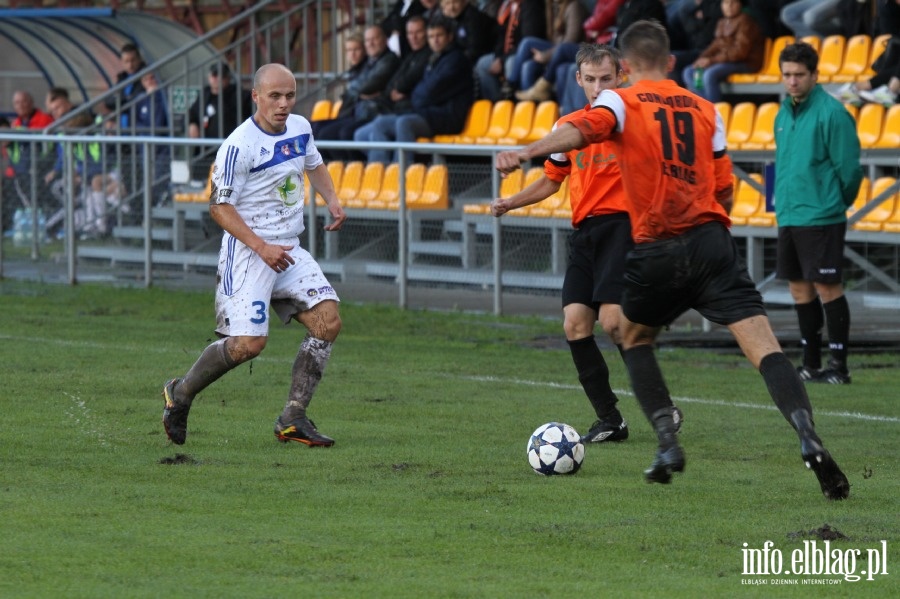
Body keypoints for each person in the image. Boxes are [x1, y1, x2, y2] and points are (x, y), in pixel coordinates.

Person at [495, 20, 850, 500]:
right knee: (764, 346)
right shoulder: (707, 109)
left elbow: (583, 130)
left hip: (656, 242)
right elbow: (724, 185)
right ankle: (807, 434)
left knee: (633, 336)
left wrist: (526, 150)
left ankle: (666, 442)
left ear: (626, 68)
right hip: (710, 240)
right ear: (670, 62)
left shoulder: (620, 102)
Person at [493, 43, 683, 442]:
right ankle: (610, 419)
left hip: (624, 227)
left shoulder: (632, 120)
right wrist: (511, 201)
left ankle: (660, 402)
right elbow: (551, 179)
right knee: (576, 324)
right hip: (586, 233)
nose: (598, 88)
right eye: (590, 79)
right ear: (578, 79)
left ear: (622, 77)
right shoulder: (569, 125)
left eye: (606, 79)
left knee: (614, 323)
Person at [161, 63, 348, 447]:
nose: (283, 104)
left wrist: (332, 199)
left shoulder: (300, 128)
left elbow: (314, 164)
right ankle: (180, 393)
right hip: (249, 253)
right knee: (249, 345)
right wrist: (261, 246)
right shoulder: (238, 145)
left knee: (327, 322)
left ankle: (293, 417)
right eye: (275, 96)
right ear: (256, 97)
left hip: (289, 246)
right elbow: (219, 207)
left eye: (290, 96)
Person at [774, 42, 863, 385]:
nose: (792, 81)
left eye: (799, 75)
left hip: (822, 216)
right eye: (787, 75)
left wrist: (834, 202)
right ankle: (811, 364)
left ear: (815, 75)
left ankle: (838, 366)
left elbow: (850, 171)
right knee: (799, 289)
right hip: (790, 214)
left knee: (828, 287)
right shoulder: (783, 112)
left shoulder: (833, 113)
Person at [354, 15, 474, 164]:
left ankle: (401, 176)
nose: (435, 40)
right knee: (377, 125)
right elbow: (423, 91)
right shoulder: (435, 58)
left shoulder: (456, 59)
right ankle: (380, 176)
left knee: (404, 122)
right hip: (427, 113)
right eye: (431, 36)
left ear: (449, 37)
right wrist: (418, 96)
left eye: (439, 35)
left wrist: (416, 96)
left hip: (447, 117)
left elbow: (429, 91)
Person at [313, 25, 401, 159]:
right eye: (368, 40)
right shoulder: (371, 63)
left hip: (373, 113)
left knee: (337, 133)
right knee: (314, 128)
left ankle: (355, 172)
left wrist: (355, 93)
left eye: (375, 39)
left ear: (385, 39)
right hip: (359, 112)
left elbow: (367, 86)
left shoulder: (389, 60)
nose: (371, 44)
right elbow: (362, 89)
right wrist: (358, 94)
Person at [682, 0, 764, 102]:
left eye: (733, 3)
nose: (729, 6)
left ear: (740, 5)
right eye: (725, 3)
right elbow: (715, 46)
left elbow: (740, 53)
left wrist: (711, 61)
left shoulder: (746, 21)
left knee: (709, 74)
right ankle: (704, 107)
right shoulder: (722, 21)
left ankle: (713, 114)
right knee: (689, 71)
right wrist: (701, 59)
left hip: (746, 62)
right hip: (725, 61)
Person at [506, 0, 587, 96]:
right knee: (528, 65)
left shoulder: (574, 6)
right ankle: (529, 105)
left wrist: (545, 55)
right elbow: (551, 39)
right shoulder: (552, 7)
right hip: (555, 49)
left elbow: (570, 41)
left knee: (527, 43)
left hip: (570, 52)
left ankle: (511, 85)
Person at [187, 63, 253, 179]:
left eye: (222, 76)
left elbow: (253, 113)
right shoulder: (205, 94)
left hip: (229, 153)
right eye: (214, 75)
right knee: (200, 185)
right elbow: (192, 112)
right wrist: (192, 124)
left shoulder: (238, 95)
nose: (217, 79)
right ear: (209, 77)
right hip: (205, 152)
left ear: (227, 78)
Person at [473, 0, 547, 100]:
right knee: (483, 64)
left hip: (525, 53)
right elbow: (500, 37)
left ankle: (512, 100)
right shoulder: (506, 6)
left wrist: (502, 60)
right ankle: (497, 103)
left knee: (510, 62)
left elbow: (528, 39)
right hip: (506, 54)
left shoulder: (530, 4)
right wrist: (499, 57)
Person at [103, 43, 148, 130]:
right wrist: (125, 99)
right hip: (122, 129)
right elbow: (108, 101)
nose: (130, 65)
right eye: (126, 61)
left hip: (138, 128)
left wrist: (120, 100)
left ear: (139, 59)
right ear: (122, 62)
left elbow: (136, 100)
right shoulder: (122, 78)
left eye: (133, 60)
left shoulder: (146, 76)